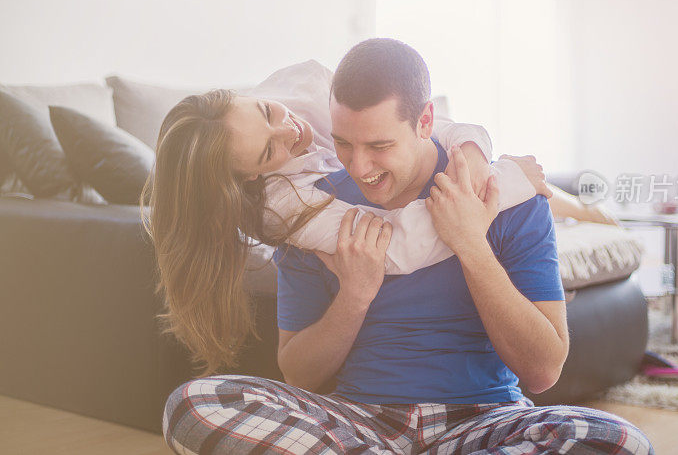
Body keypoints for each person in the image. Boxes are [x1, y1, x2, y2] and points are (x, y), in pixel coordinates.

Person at [160, 39, 653, 454]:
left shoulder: (502, 200)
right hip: (359, 425)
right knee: (193, 405)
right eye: (344, 144)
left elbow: (543, 370)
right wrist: (354, 295)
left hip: (482, 422)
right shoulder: (306, 211)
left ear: (424, 121)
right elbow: (300, 376)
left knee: (615, 440)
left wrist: (471, 246)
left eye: (378, 146)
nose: (357, 166)